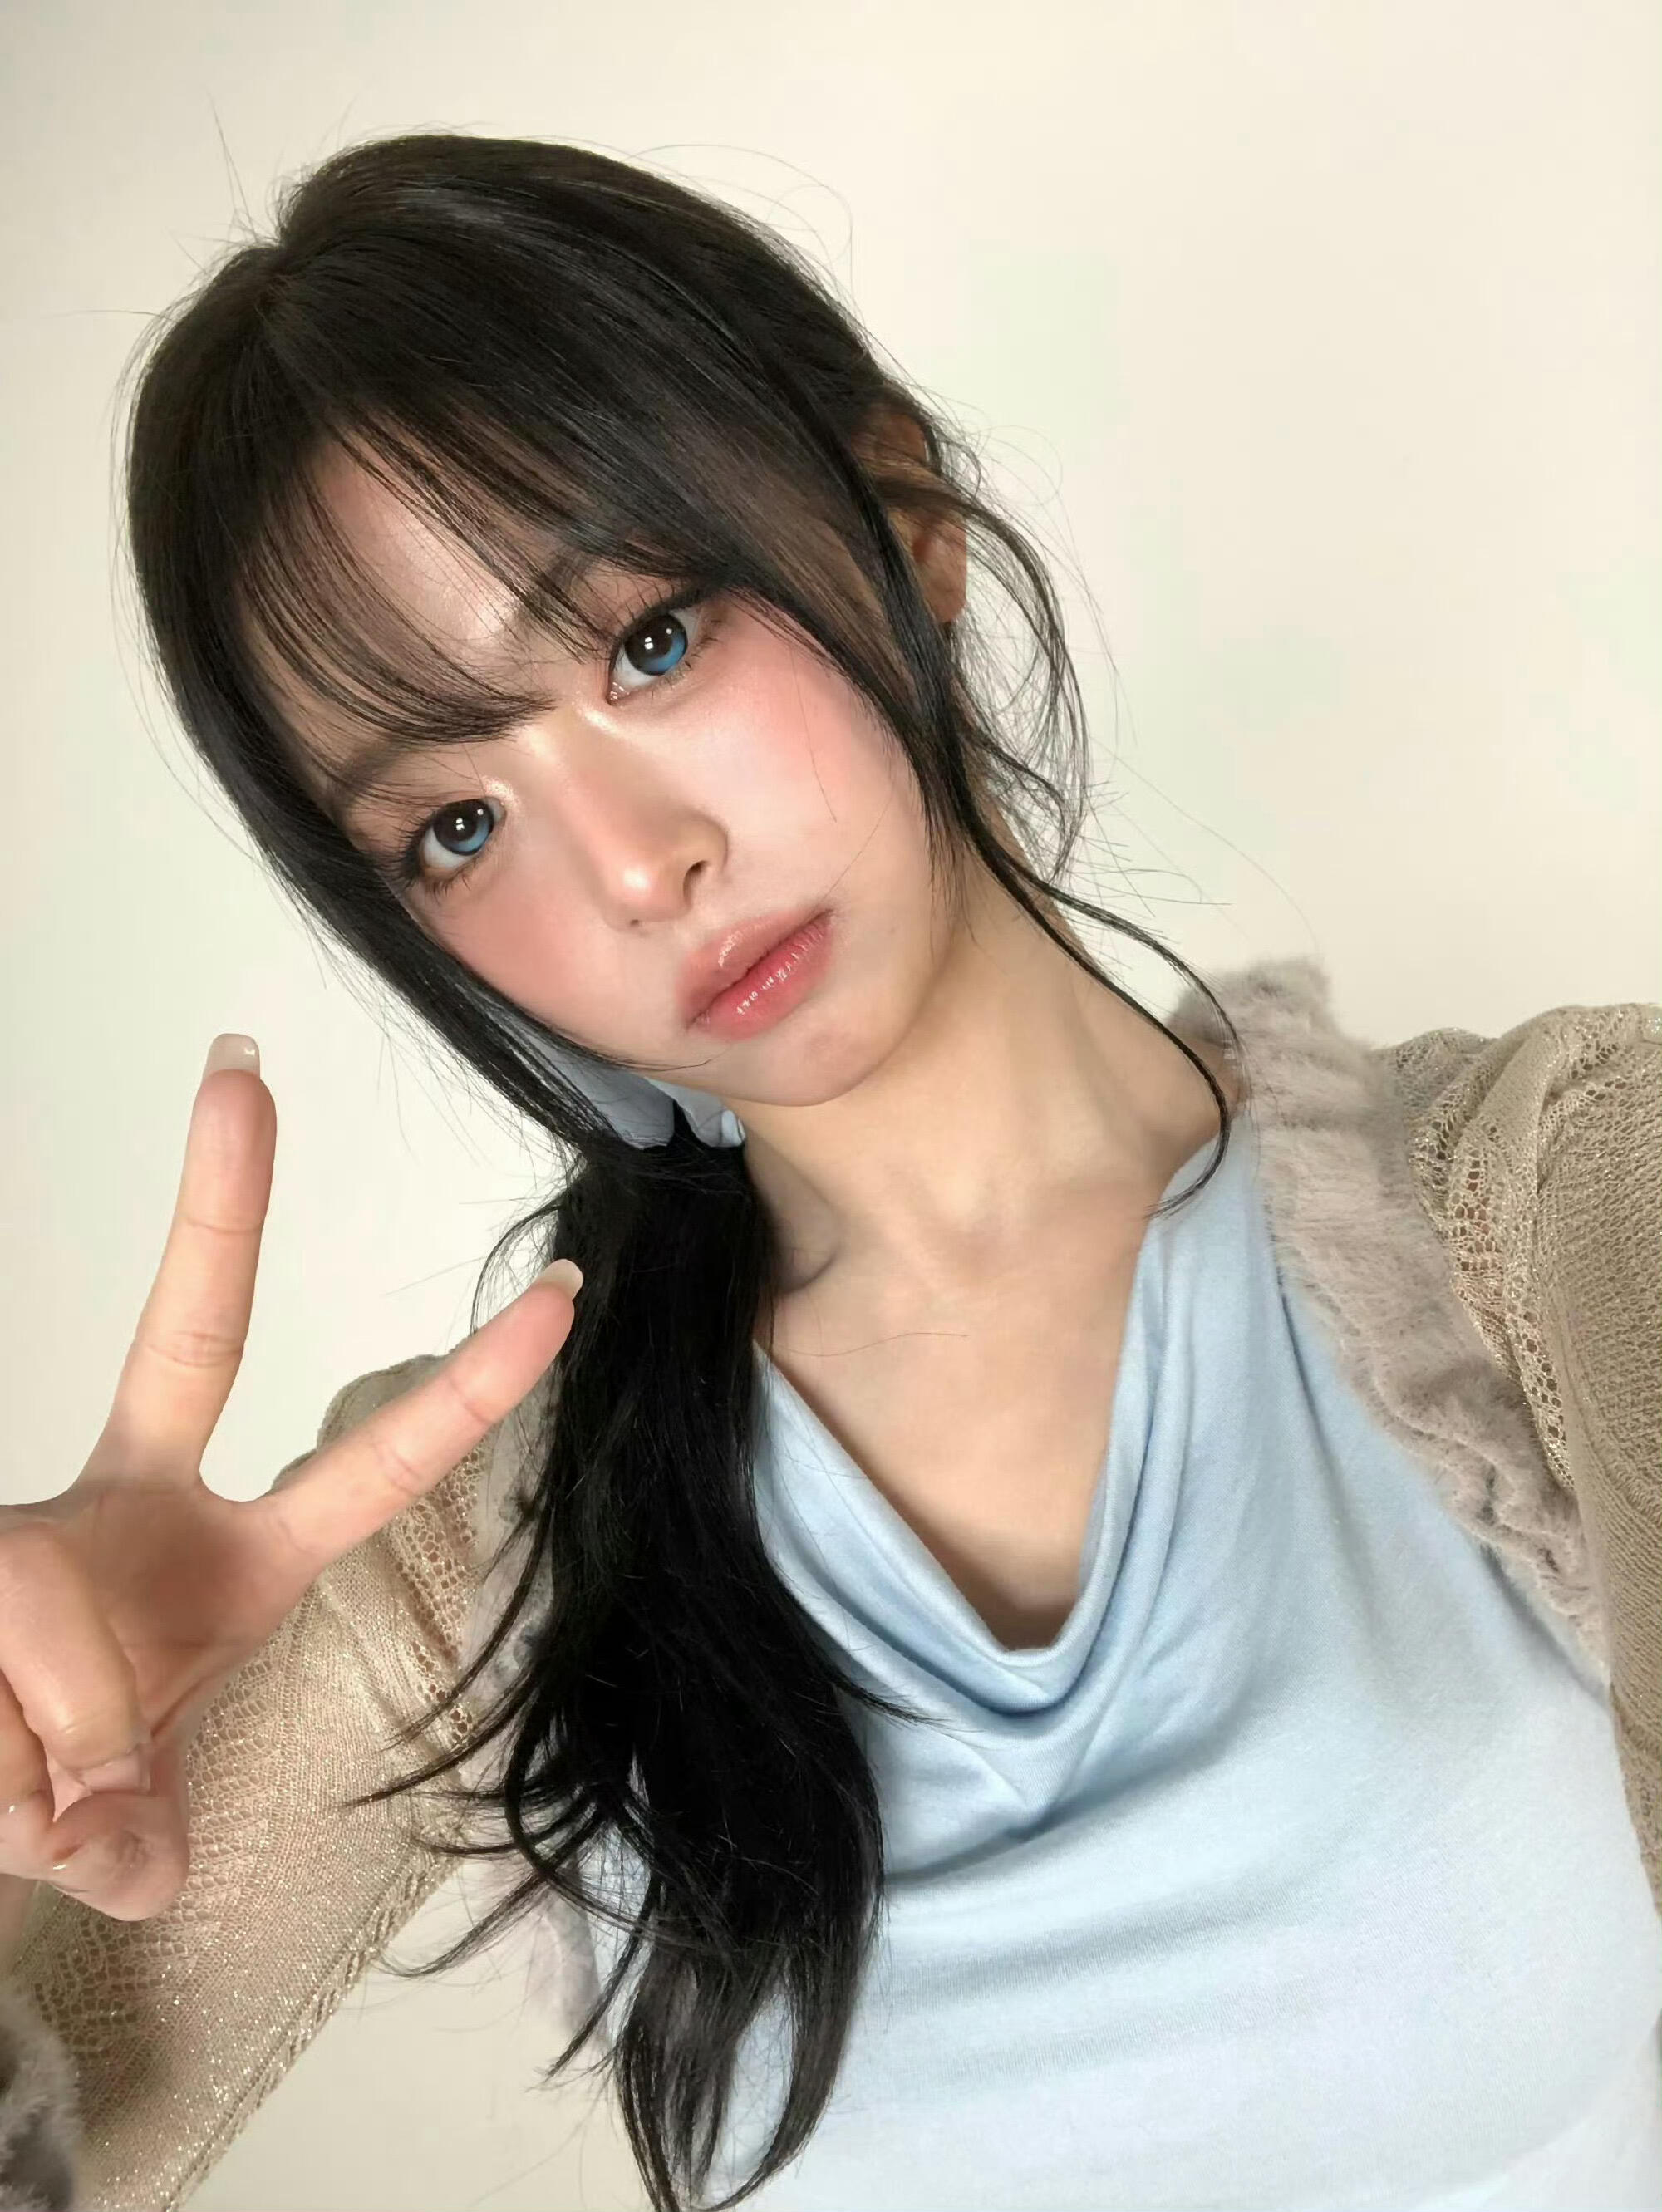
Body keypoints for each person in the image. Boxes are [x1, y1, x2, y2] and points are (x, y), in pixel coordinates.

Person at [1, 130, 1658, 2212]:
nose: (633, 869)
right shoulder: (476, 1543)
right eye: (454, 826)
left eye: (651, 642)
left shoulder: (1552, 1206)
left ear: (902, 516)